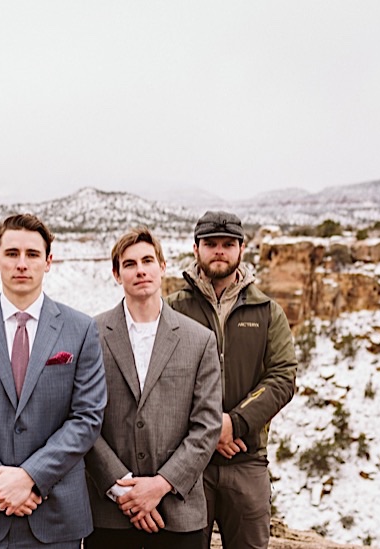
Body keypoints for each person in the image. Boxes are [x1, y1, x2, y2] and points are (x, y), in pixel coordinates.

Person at [0, 213, 106, 548]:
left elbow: (87, 418)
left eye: (32, 254)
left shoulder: (81, 329)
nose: (22, 264)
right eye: (12, 254)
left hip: (54, 516)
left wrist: (31, 477)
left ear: (49, 261)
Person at [84, 227, 222, 548]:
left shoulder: (199, 339)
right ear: (117, 274)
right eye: (129, 264)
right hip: (110, 513)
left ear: (162, 266)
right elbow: (82, 418)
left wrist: (160, 485)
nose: (140, 270)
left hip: (178, 511)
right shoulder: (90, 334)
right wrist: (123, 491)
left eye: (148, 260)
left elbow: (207, 426)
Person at [166, 211, 296, 549]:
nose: (219, 251)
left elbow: (282, 377)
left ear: (241, 250)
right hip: (188, 463)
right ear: (196, 249)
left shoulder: (267, 311)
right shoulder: (173, 309)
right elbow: (160, 384)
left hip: (247, 458)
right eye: (211, 244)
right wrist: (211, 431)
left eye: (228, 244)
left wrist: (234, 424)